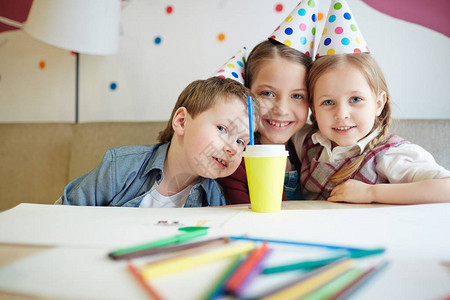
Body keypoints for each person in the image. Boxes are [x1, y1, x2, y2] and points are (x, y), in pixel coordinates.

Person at [57, 77, 259, 207]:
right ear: (181, 122)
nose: (233, 148)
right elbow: (62, 214)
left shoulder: (214, 198)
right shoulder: (120, 168)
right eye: (222, 129)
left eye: (242, 142)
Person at [293, 53, 450, 204]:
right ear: (313, 109)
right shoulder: (308, 141)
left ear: (378, 104)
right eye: (328, 102)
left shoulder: (390, 155)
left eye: (355, 99)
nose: (341, 114)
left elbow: (446, 188)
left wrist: (371, 192)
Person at [217, 38, 312, 203]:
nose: (281, 109)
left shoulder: (313, 150)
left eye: (297, 96)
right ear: (246, 94)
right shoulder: (234, 160)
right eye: (267, 93)